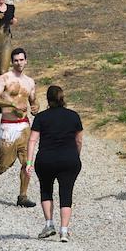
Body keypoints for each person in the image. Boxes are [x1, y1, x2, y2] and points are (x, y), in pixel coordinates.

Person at [26, 84, 83, 242]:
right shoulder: (73, 116)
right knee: (66, 193)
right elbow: (78, 140)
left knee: (46, 190)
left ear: (48, 100)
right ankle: (64, 231)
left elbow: (32, 140)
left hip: (46, 160)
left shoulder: (41, 117)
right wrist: (76, 156)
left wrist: (29, 162)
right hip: (69, 160)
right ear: (62, 98)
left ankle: (49, 224)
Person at [0, 47, 38, 208]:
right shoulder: (5, 78)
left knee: (27, 162)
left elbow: (34, 101)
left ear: (26, 61)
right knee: (4, 164)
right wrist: (12, 103)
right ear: (12, 62)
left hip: (25, 126)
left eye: (21, 60)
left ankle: (23, 195)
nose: (19, 63)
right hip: (8, 126)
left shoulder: (30, 82)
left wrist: (36, 107)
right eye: (16, 60)